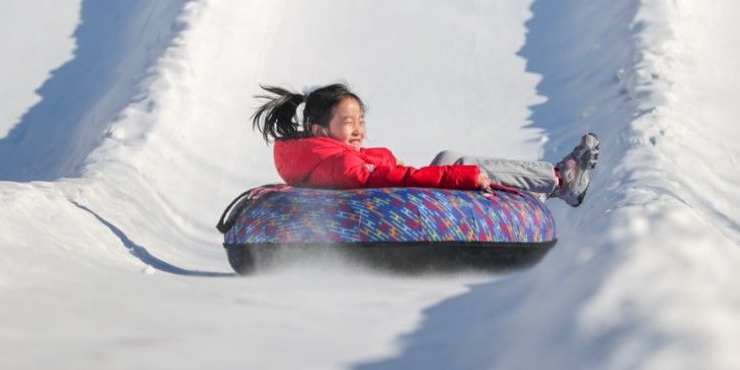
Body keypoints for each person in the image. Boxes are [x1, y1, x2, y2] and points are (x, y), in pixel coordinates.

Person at [251, 83, 599, 207]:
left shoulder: (325, 157)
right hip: (395, 214)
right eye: (347, 123)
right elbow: (399, 179)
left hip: (396, 197)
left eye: (360, 121)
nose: (358, 130)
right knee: (463, 167)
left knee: (451, 158)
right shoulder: (341, 164)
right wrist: (460, 178)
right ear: (319, 129)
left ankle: (543, 187)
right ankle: (559, 179)